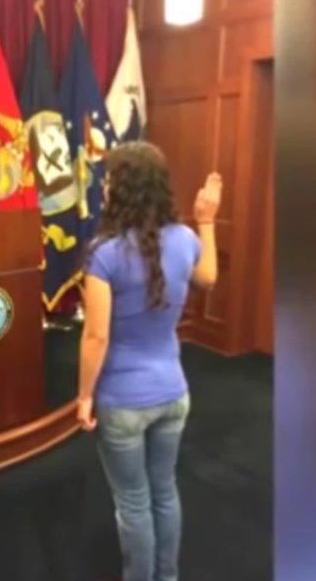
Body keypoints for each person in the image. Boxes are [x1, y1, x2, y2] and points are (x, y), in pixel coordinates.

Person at [75, 141, 222, 581]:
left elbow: (96, 336)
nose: (104, 187)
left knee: (134, 503)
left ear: (122, 188)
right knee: (164, 492)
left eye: (108, 179)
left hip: (123, 401)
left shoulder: (104, 254)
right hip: (174, 394)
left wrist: (84, 396)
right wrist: (207, 220)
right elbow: (208, 277)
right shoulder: (185, 238)